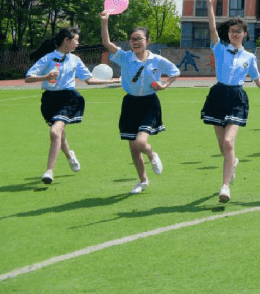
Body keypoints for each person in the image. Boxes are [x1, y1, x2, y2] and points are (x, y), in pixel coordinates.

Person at [200, 0, 260, 204]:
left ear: (245, 34)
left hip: (237, 98)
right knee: (224, 148)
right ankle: (233, 163)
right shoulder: (219, 49)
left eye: (239, 31)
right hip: (218, 95)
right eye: (232, 31)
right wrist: (211, 5)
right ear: (228, 34)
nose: (236, 33)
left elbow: (257, 80)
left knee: (229, 144)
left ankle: (225, 186)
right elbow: (212, 28)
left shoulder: (250, 57)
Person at [100, 12, 180, 194]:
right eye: (132, 39)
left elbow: (175, 72)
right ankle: (143, 180)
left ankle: (152, 154)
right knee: (132, 146)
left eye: (139, 39)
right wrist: (104, 22)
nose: (135, 42)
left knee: (140, 142)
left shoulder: (157, 60)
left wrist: (164, 84)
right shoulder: (125, 57)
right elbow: (107, 43)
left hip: (149, 104)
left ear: (148, 41)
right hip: (130, 104)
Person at [25, 26, 114, 185]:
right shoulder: (48, 58)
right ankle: (69, 155)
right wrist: (46, 76)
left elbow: (89, 79)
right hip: (50, 100)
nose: (78, 43)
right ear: (66, 40)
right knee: (59, 134)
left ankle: (49, 171)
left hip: (69, 99)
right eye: (76, 39)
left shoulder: (75, 60)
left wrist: (113, 81)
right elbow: (28, 77)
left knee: (55, 132)